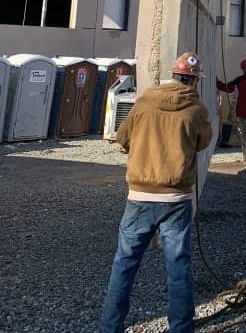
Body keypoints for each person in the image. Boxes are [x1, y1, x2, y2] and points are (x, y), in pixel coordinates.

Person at [100, 52, 212, 333]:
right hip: (176, 199)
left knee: (124, 264)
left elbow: (122, 139)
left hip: (139, 197)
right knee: (178, 267)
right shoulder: (196, 109)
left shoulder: (144, 102)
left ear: (173, 75)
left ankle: (110, 328)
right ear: (194, 81)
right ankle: (181, 328)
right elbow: (204, 142)